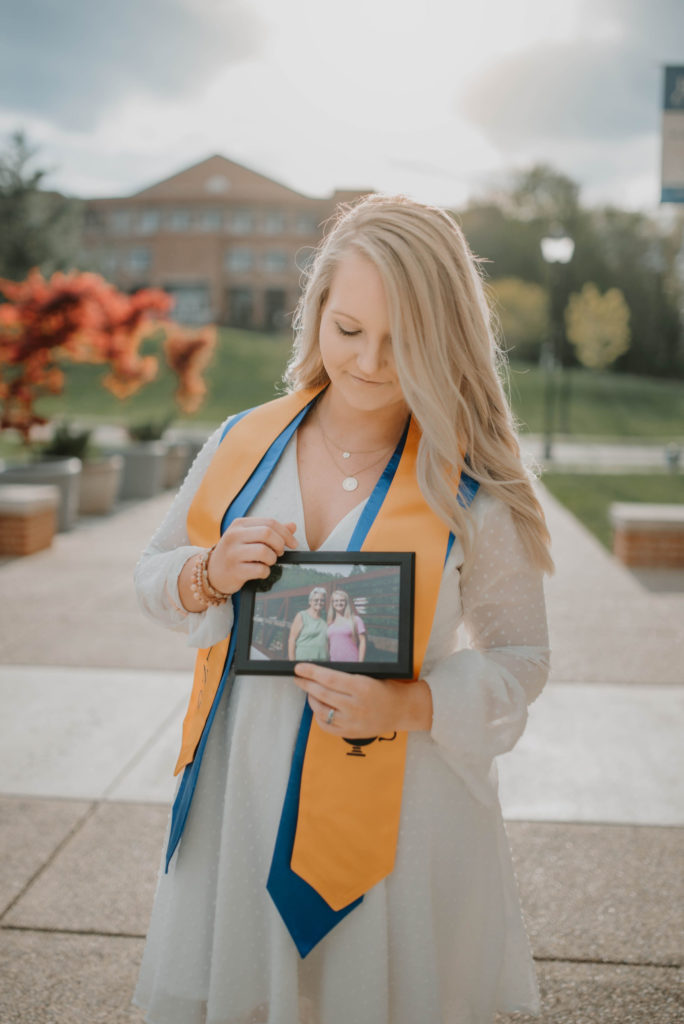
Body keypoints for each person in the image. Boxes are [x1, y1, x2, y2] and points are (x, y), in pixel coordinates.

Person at [133, 193, 552, 1024]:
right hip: (240, 790)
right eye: (349, 328)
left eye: (402, 341)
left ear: (446, 335)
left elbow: (523, 659)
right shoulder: (243, 442)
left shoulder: (469, 483)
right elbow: (152, 575)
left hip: (397, 814)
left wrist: (413, 701)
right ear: (316, 309)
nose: (367, 361)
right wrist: (208, 572)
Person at [288, 587, 329, 660]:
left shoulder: (326, 616)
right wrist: (292, 663)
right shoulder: (301, 616)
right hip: (304, 660)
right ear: (310, 602)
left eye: (322, 600)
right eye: (316, 600)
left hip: (322, 661)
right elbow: (292, 640)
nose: (319, 602)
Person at [326, 589, 366, 662]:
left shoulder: (355, 620)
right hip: (333, 662)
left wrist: (360, 663)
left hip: (351, 662)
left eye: (342, 600)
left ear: (346, 602)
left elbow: (362, 641)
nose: (339, 603)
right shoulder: (330, 622)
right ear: (332, 603)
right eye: (336, 601)